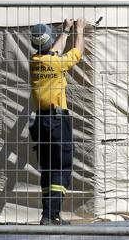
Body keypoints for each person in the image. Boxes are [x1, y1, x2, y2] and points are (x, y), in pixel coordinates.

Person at [29, 18, 85, 226]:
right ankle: (51, 215)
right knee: (61, 167)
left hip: (41, 121)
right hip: (57, 121)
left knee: (48, 168)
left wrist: (66, 30)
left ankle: (49, 213)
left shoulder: (34, 61)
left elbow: (54, 51)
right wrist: (79, 31)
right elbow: (76, 52)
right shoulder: (56, 63)